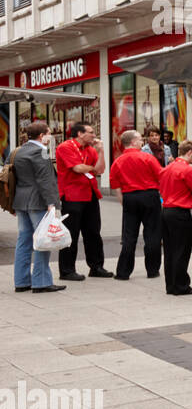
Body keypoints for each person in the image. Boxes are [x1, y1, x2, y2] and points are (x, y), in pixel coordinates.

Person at [11, 121, 66, 294]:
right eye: (49, 133)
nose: (50, 137)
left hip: (21, 201)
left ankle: (21, 281)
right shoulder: (40, 152)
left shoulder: (17, 151)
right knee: (44, 240)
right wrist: (53, 204)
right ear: (42, 135)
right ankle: (41, 282)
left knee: (23, 241)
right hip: (38, 202)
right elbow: (45, 180)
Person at [55, 121, 111, 281]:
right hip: (72, 196)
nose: (94, 135)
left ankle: (96, 266)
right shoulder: (65, 147)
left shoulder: (91, 150)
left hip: (90, 194)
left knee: (93, 232)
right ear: (80, 134)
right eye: (91, 132)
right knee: (70, 234)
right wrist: (91, 167)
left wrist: (100, 152)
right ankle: (67, 270)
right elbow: (77, 168)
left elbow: (100, 170)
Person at [159, 141, 192, 296]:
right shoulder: (187, 169)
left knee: (169, 250)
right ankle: (181, 285)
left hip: (166, 210)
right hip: (180, 212)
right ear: (190, 152)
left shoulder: (167, 168)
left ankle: (171, 285)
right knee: (181, 250)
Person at [109, 130, 163, 281]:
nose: (142, 142)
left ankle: (123, 272)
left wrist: (124, 202)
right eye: (140, 139)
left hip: (129, 197)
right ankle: (152, 270)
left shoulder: (118, 162)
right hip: (150, 195)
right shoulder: (148, 158)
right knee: (152, 233)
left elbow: (116, 187)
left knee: (129, 235)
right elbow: (161, 176)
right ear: (133, 142)